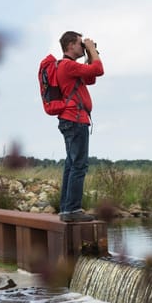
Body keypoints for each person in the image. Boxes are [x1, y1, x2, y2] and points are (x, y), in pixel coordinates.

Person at [56, 31, 104, 222]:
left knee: (71, 164)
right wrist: (92, 49)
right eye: (79, 44)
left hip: (70, 120)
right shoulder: (67, 65)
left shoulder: (67, 66)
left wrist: (90, 54)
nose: (81, 47)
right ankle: (72, 210)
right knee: (79, 165)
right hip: (75, 120)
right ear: (69, 46)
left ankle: (66, 209)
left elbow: (91, 78)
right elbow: (99, 70)